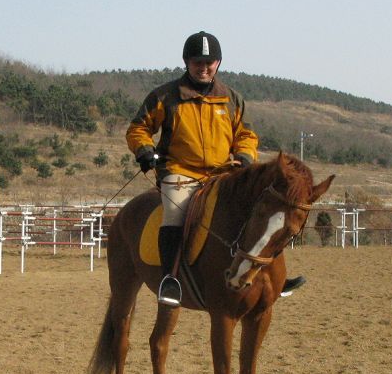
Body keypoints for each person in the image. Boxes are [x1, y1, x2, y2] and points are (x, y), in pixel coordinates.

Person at [126, 30, 304, 307]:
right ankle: (169, 279)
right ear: (186, 62)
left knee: (262, 211)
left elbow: (246, 135)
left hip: (224, 173)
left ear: (218, 63)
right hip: (180, 171)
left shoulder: (231, 98)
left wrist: (244, 157)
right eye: (198, 62)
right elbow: (139, 128)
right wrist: (144, 150)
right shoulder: (165, 96)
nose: (204, 67)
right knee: (175, 214)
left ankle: (274, 276)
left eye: (210, 63)